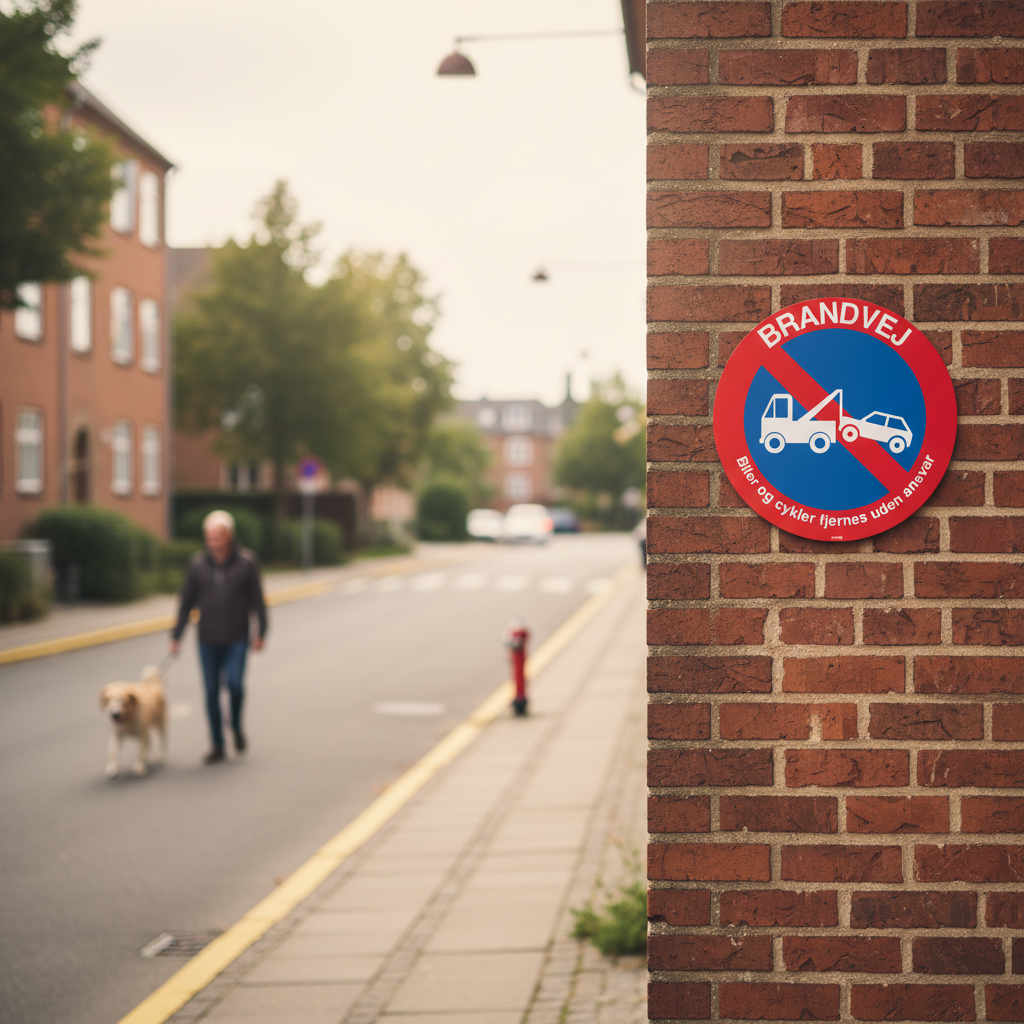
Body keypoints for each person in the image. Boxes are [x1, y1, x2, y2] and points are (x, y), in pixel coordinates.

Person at [170, 510, 267, 764]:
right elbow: (186, 601)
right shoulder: (197, 565)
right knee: (211, 692)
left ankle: (234, 725)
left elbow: (258, 601)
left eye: (218, 538)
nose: (213, 543)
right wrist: (176, 635)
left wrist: (261, 632)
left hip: (237, 637)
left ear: (229, 537)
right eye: (209, 538)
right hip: (207, 639)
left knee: (235, 685)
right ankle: (217, 744)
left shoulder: (246, 563)